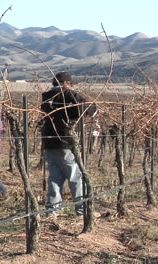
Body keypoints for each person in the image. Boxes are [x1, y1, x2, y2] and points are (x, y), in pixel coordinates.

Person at [41, 72, 97, 216]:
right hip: (66, 142)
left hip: (49, 143)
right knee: (76, 178)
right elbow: (90, 109)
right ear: (67, 83)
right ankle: (82, 211)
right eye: (71, 84)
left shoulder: (46, 97)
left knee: (54, 178)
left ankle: (52, 211)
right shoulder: (68, 94)